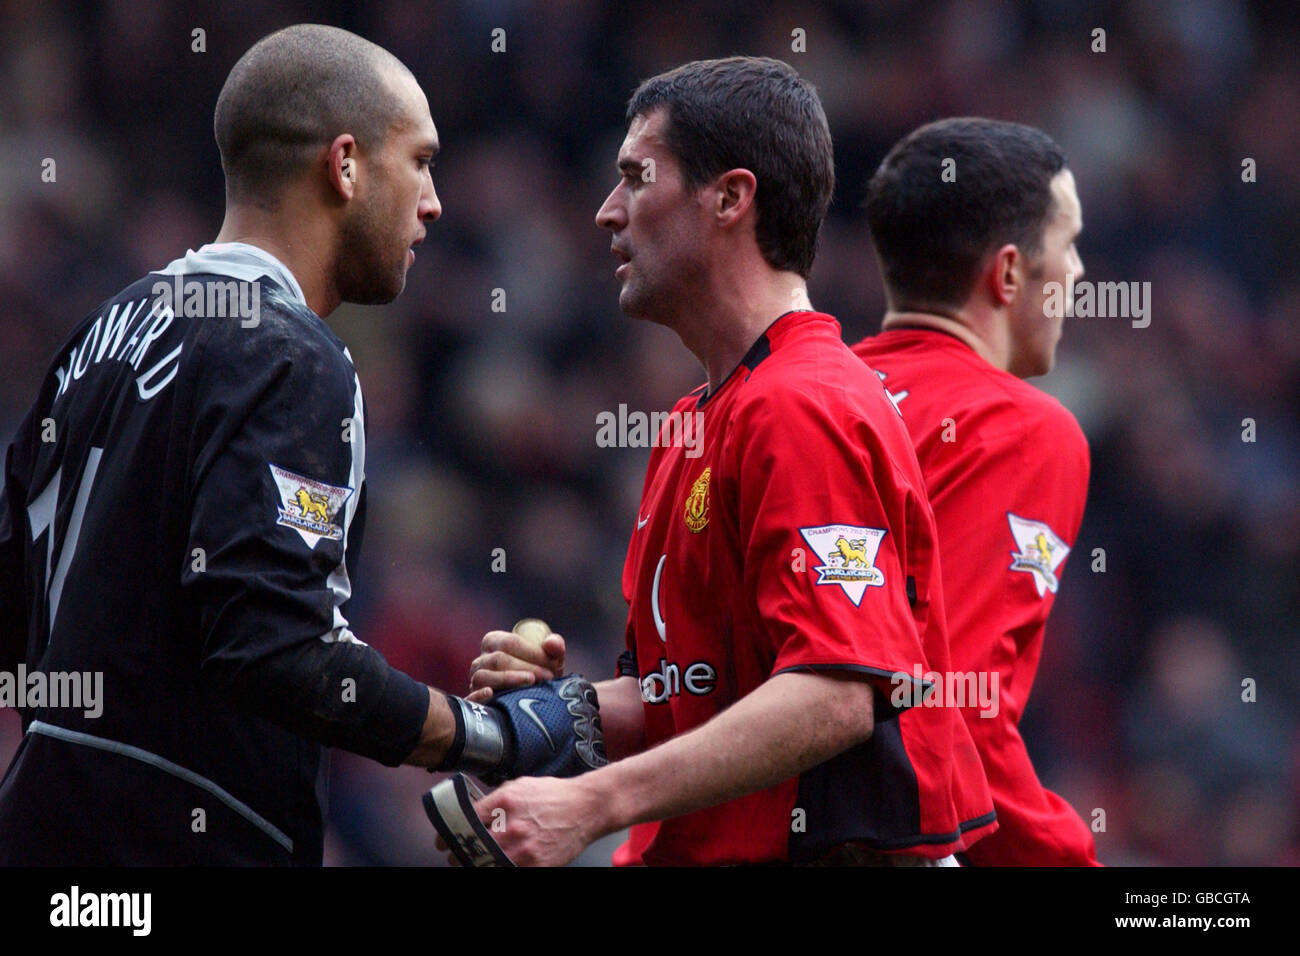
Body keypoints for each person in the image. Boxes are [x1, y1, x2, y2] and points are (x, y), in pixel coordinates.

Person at [0, 24, 603, 866]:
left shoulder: (97, 337)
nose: (434, 201)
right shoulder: (285, 351)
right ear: (346, 164)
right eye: (421, 161)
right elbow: (275, 647)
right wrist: (489, 734)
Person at [459, 56, 996, 866]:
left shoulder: (802, 403)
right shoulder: (695, 425)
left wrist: (593, 802)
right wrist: (557, 715)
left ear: (730, 197)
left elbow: (833, 695)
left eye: (637, 178)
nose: (608, 213)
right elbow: (697, 693)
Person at [851, 118, 1100, 865]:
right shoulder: (1019, 429)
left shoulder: (773, 396)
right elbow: (945, 704)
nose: (1082, 273)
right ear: (1011, 273)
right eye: (1070, 243)